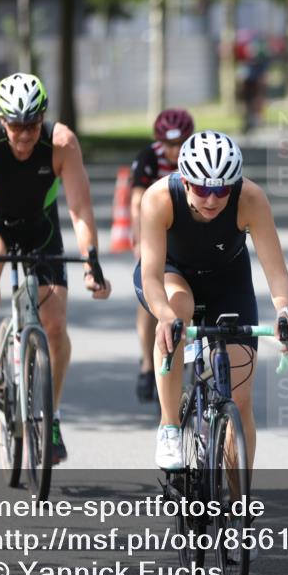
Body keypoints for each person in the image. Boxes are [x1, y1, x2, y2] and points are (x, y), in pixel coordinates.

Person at [0, 73, 111, 463]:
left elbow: (79, 209)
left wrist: (91, 262)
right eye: (16, 126)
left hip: (42, 228)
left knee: (55, 327)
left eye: (32, 125)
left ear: (43, 118)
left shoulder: (62, 143)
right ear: (1, 121)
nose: (24, 136)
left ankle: (51, 415)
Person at [135, 130, 288, 471]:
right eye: (201, 189)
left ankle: (238, 505)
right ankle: (168, 426)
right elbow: (150, 275)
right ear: (184, 180)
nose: (211, 199)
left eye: (221, 189)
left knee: (240, 401)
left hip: (227, 279)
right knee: (178, 309)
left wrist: (285, 312)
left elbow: (277, 272)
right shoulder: (159, 198)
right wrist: (164, 316)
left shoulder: (251, 198)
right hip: (171, 273)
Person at [129, 108, 195, 403]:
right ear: (159, 142)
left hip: (187, 236)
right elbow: (136, 203)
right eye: (169, 145)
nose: (175, 151)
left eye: (181, 142)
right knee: (151, 303)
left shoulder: (197, 157)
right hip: (153, 233)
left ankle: (192, 360)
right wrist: (139, 242)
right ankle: (147, 363)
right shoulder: (148, 158)